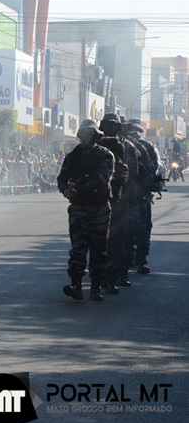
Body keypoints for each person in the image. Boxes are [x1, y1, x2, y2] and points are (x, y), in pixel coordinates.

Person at [57, 119, 115, 302]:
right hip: (78, 208)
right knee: (78, 248)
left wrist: (79, 190)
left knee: (99, 248)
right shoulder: (73, 156)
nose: (86, 137)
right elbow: (62, 178)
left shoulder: (106, 155)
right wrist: (65, 189)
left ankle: (96, 287)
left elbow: (103, 179)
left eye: (89, 134)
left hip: (99, 207)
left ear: (96, 136)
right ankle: (76, 285)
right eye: (83, 134)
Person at [97, 114, 129, 295]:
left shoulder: (95, 144)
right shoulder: (120, 146)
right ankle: (109, 279)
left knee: (102, 240)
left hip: (103, 199)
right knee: (113, 240)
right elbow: (128, 174)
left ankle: (104, 279)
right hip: (111, 199)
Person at [124, 118, 159, 275]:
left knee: (127, 229)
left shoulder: (123, 143)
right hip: (138, 196)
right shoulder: (145, 146)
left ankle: (132, 259)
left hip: (127, 196)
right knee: (142, 229)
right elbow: (152, 169)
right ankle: (140, 261)